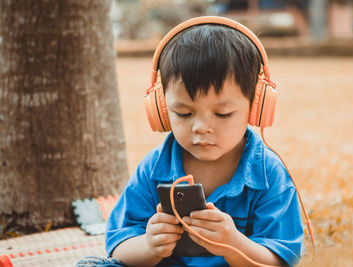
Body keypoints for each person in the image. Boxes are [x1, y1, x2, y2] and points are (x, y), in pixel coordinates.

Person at [78, 16, 304, 267]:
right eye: (184, 114)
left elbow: (281, 260)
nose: (201, 128)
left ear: (257, 108)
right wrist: (150, 246)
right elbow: (118, 248)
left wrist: (234, 245)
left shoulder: (268, 173)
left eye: (223, 114)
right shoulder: (154, 169)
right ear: (161, 109)